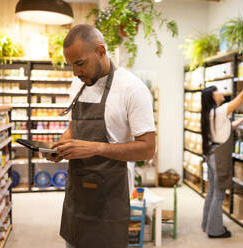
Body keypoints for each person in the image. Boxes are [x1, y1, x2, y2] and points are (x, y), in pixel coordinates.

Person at [43, 24, 156, 248]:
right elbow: (75, 126)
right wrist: (63, 145)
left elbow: (147, 148)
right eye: (71, 65)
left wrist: (96, 148)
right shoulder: (78, 83)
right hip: (78, 195)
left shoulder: (131, 89)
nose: (75, 72)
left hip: (109, 199)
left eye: (80, 63)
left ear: (101, 51)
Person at [201, 67, 243, 238]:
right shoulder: (220, 110)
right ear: (213, 97)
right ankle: (215, 230)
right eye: (217, 91)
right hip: (218, 158)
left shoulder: (212, 114)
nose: (220, 92)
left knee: (212, 192)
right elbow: (242, 96)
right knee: (218, 194)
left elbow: (228, 128)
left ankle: (207, 224)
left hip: (211, 154)